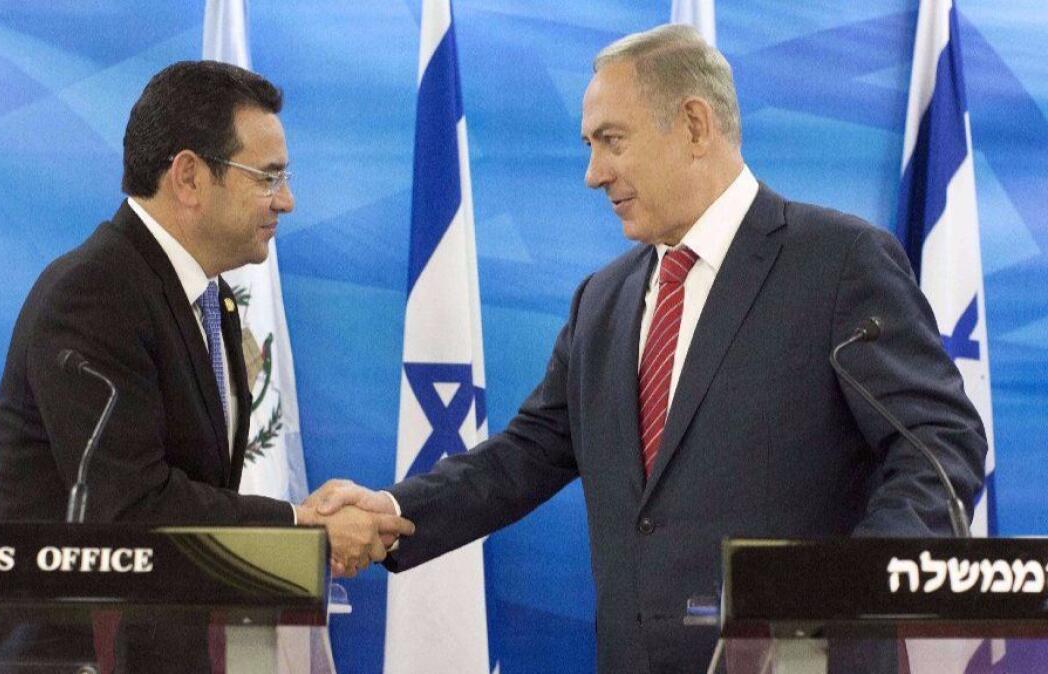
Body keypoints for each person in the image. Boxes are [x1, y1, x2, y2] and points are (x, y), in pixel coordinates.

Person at [311, 25, 987, 673]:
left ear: (695, 125)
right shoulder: (602, 301)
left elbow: (939, 442)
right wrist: (395, 513)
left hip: (805, 657)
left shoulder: (838, 262)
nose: (593, 174)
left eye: (612, 141)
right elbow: (524, 456)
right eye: (588, 145)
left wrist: (855, 586)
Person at [0, 60, 412, 671]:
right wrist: (299, 525)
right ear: (188, 177)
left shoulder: (212, 301)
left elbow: (199, 491)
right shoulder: (93, 294)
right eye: (268, 177)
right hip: (78, 658)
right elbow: (130, 506)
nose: (286, 201)